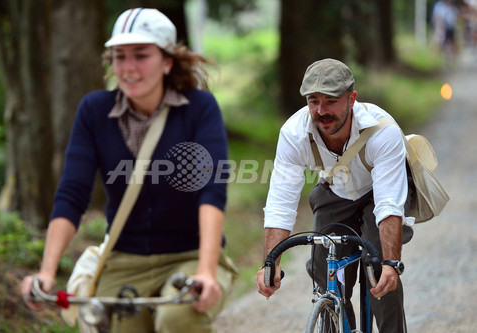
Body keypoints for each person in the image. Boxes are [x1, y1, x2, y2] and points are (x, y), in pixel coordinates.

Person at [21, 8, 238, 333]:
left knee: (177, 318)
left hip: (190, 255)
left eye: (141, 55)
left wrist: (206, 271)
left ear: (167, 61)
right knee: (102, 325)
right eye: (119, 56)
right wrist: (47, 272)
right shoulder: (94, 111)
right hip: (124, 259)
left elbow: (212, 190)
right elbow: (72, 195)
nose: (128, 67)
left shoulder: (199, 108)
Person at [256, 58, 414, 332]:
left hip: (377, 193)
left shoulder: (382, 131)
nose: (321, 110)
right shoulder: (294, 134)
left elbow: (389, 203)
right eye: (313, 101)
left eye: (330, 101)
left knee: (379, 272)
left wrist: (390, 263)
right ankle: (339, 322)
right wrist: (271, 263)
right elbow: (281, 202)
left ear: (351, 99)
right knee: (323, 271)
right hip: (334, 192)